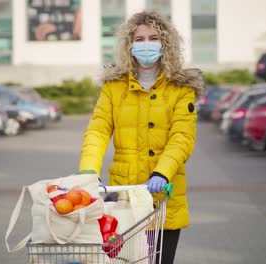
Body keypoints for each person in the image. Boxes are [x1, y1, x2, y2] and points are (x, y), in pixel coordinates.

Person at [78, 11, 204, 263]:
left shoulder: (181, 88)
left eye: (153, 38)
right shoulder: (115, 87)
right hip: (124, 199)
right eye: (140, 39)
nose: (146, 44)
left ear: (165, 43)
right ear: (130, 44)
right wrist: (88, 171)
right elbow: (98, 129)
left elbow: (182, 137)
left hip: (163, 196)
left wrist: (162, 172)